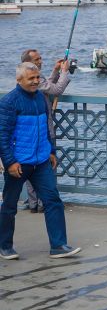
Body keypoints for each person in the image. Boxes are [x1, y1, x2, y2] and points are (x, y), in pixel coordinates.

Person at [0, 62, 81, 259]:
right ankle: (5, 246)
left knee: (53, 201)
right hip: (19, 163)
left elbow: (47, 127)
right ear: (19, 80)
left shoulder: (40, 99)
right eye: (31, 79)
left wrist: (51, 151)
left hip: (42, 161)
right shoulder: (10, 101)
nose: (36, 81)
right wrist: (10, 162)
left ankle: (58, 245)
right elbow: (2, 135)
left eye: (38, 77)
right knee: (10, 205)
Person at [19, 48, 72, 213]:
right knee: (45, 165)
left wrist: (55, 71)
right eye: (37, 59)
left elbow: (45, 84)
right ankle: (45, 202)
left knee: (30, 164)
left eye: (40, 58)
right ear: (28, 63)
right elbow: (55, 90)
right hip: (43, 129)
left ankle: (34, 202)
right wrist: (64, 72)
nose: (40, 61)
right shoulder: (34, 79)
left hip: (30, 130)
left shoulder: (27, 79)